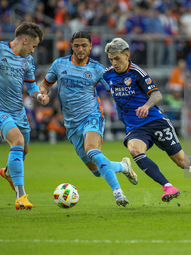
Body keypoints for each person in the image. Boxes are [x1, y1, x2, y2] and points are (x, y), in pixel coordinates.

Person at [103, 38, 191, 203]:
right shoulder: (106, 75)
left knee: (183, 162)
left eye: (117, 58)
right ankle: (167, 186)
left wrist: (146, 106)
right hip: (135, 127)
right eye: (111, 59)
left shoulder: (137, 72)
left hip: (155, 121)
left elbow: (157, 94)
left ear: (127, 55)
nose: (114, 63)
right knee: (135, 150)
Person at [39, 31, 137, 207]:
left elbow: (115, 91)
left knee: (92, 150)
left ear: (91, 46)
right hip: (71, 124)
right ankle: (123, 167)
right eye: (77, 45)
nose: (80, 49)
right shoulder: (59, 65)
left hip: (92, 115)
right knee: (97, 171)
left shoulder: (97, 69)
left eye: (84, 45)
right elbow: (46, 84)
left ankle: (118, 193)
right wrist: (43, 93)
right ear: (71, 46)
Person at [0, 21, 49, 210]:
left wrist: (38, 95)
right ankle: (21, 196)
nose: (34, 51)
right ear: (25, 40)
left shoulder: (28, 61)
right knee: (17, 141)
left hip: (18, 111)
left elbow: (31, 85)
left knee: (24, 150)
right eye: (33, 46)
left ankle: (9, 172)